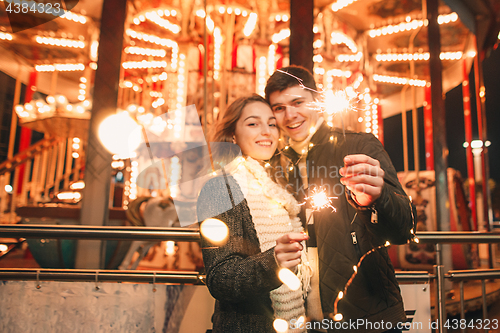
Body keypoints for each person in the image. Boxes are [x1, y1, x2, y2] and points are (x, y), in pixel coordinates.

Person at [265, 66, 415, 333]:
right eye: (279, 107)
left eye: (298, 102)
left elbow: (405, 228)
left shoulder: (359, 145)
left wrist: (377, 200)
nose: (290, 115)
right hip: (302, 320)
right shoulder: (275, 164)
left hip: (367, 314)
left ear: (316, 99)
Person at [197, 95, 312, 333]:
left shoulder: (279, 188)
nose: (266, 131)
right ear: (233, 135)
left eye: (271, 124)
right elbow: (220, 278)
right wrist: (274, 261)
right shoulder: (220, 187)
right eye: (253, 123)